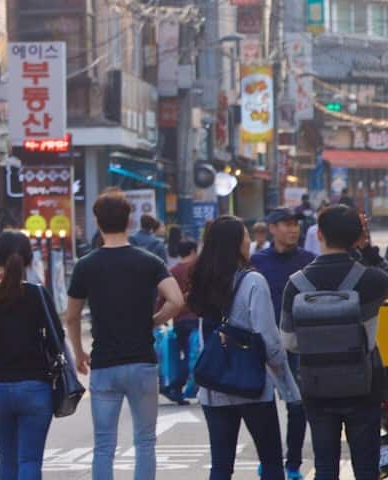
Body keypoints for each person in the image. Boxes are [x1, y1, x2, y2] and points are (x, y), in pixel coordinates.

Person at [63, 191, 187, 480]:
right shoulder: (148, 261)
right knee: (145, 441)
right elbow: (177, 300)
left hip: (104, 364)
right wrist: (154, 322)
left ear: (97, 222)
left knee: (104, 445)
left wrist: (79, 353)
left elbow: (70, 316)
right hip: (142, 361)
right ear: (129, 220)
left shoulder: (86, 265)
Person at [279, 206, 388, 480]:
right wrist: (368, 251)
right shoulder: (372, 280)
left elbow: (288, 340)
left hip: (317, 386)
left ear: (319, 234)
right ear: (358, 237)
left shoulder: (296, 284)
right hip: (364, 385)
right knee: (367, 467)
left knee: (325, 466)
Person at [191, 217, 301, 480]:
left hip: (213, 385)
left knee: (221, 465)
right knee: (272, 461)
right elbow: (269, 340)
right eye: (245, 236)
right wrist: (286, 385)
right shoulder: (253, 281)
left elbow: (204, 334)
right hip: (252, 385)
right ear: (237, 243)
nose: (249, 240)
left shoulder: (201, 278)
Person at [0, 230, 62, 479]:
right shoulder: (38, 295)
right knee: (29, 461)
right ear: (30, 259)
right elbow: (57, 339)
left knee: (7, 462)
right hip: (35, 386)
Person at [250, 208, 317, 480]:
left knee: (297, 405)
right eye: (286, 224)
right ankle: (269, 460)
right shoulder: (257, 261)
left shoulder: (309, 261)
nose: (292, 230)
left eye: (295, 225)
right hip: (262, 342)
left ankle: (293, 464)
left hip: (297, 343)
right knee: (261, 405)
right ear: (272, 228)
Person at [161, 240, 201, 405]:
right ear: (192, 251)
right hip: (195, 319)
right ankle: (187, 386)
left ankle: (176, 387)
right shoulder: (197, 270)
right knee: (195, 355)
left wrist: (159, 316)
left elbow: (162, 295)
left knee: (183, 355)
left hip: (178, 320)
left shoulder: (172, 271)